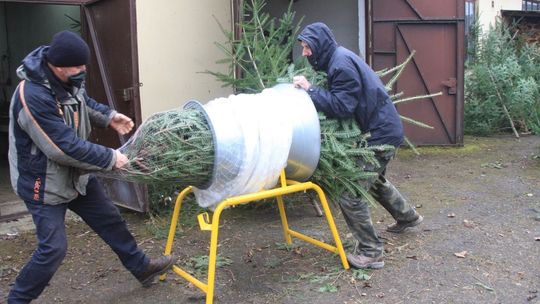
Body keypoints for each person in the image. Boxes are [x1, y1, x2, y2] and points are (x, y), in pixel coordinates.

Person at [7, 30, 173, 303]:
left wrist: (109, 117)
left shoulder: (68, 80)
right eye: (78, 66)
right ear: (58, 66)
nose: (83, 70)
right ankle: (17, 300)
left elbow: (83, 103)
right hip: (43, 183)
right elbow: (61, 147)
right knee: (53, 249)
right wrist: (110, 158)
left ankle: (141, 268)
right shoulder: (32, 95)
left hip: (76, 175)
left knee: (110, 218)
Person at [293, 22, 423, 269]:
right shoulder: (338, 58)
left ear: (318, 44)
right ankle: (408, 217)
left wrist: (310, 90)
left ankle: (371, 251)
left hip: (380, 135)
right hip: (383, 129)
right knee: (373, 181)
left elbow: (342, 107)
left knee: (351, 192)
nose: (305, 53)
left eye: (307, 47)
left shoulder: (340, 65)